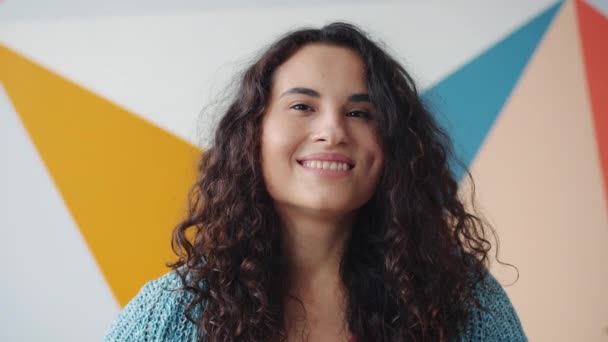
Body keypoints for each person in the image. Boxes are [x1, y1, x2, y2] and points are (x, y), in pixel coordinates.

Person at [104, 22, 526, 341]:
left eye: (360, 113)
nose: (332, 131)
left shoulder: (464, 302)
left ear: (393, 145)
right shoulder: (171, 312)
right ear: (254, 133)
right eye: (303, 106)